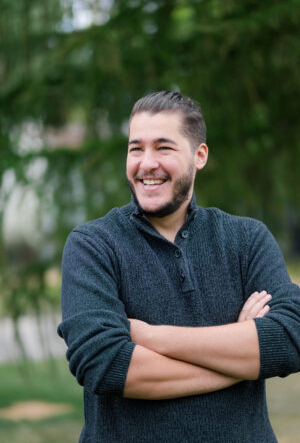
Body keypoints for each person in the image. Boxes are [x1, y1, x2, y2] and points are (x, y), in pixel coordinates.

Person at [58, 91, 300, 442]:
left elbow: (291, 339)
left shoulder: (246, 238)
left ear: (199, 156)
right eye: (136, 148)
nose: (146, 163)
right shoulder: (93, 244)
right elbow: (105, 365)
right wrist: (239, 358)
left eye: (164, 147)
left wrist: (151, 337)